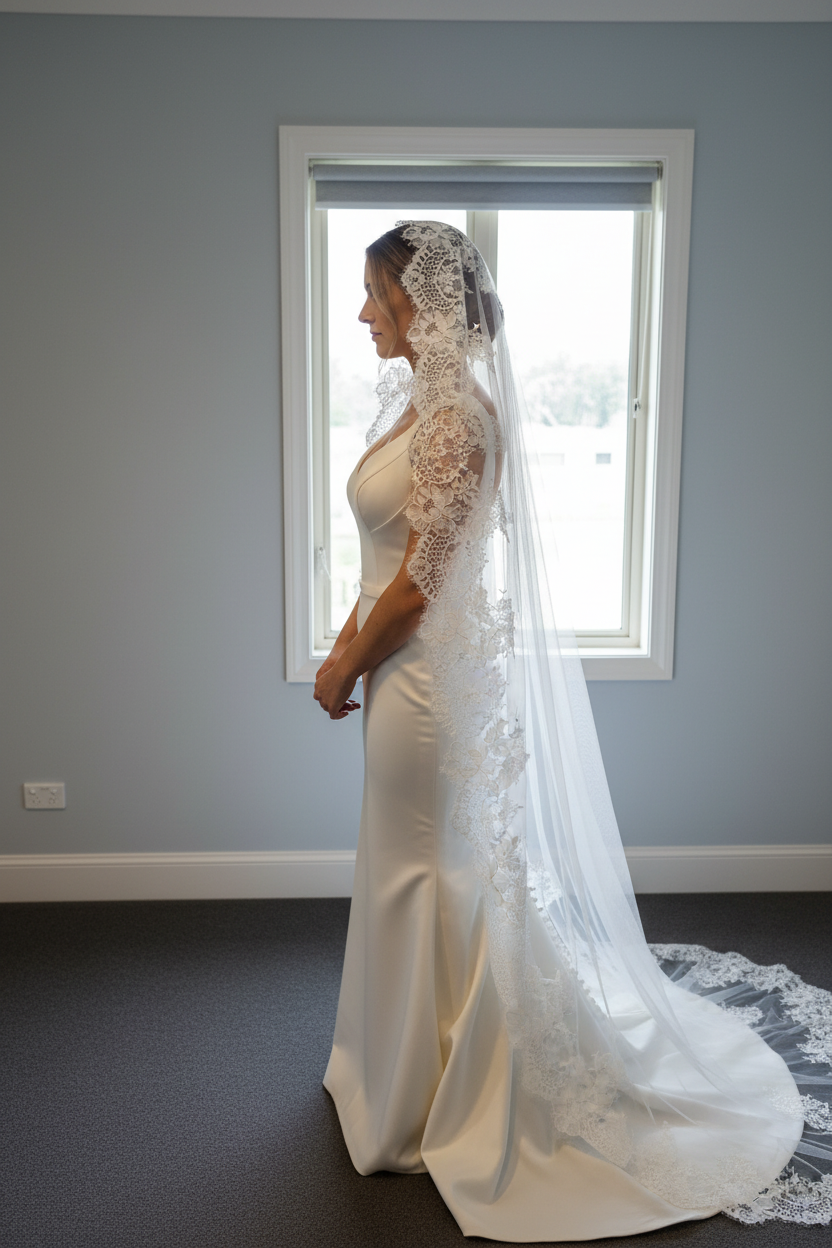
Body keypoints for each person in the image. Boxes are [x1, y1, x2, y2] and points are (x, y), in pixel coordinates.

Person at [313, 221, 832, 1240]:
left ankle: (438, 1092)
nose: (364, 312)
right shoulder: (412, 404)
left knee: (431, 870)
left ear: (423, 302)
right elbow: (379, 556)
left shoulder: (459, 420)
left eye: (376, 293)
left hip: (425, 684)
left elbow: (417, 587)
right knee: (413, 863)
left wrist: (344, 666)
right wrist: (343, 647)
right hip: (396, 672)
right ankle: (399, 1067)